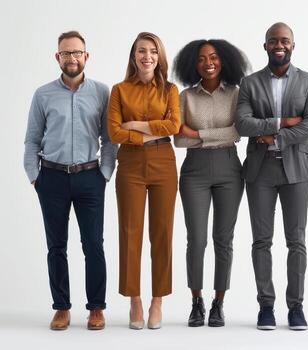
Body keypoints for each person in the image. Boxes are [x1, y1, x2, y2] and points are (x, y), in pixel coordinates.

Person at [24, 30, 116, 331]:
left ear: (86, 56)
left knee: (94, 245)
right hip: (51, 178)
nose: (72, 58)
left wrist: (104, 173)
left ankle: (96, 308)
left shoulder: (102, 92)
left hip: (90, 177)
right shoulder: (43, 94)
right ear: (57, 57)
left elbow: (109, 138)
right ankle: (62, 307)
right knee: (56, 247)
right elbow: (32, 140)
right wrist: (35, 177)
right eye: (66, 53)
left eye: (77, 52)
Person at [235, 22, 308, 331]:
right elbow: (243, 125)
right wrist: (282, 121)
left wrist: (274, 137)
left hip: (297, 169)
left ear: (293, 45)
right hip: (259, 171)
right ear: (265, 46)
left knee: (296, 240)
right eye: (273, 41)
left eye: (284, 40)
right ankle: (266, 306)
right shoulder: (250, 83)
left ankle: (296, 307)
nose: (279, 45)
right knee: (262, 240)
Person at [173, 39, 249, 327]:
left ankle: (219, 303)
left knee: (223, 239)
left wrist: (199, 133)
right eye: (202, 58)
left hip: (230, 168)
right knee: (197, 239)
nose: (209, 63)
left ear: (224, 60)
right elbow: (179, 139)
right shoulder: (185, 96)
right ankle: (196, 301)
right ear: (193, 64)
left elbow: (238, 132)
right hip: (194, 170)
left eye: (214, 57)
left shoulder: (236, 94)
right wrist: (209, 134)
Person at [107, 32, 180, 330]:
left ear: (159, 56)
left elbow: (174, 126)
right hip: (131, 164)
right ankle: (134, 299)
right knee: (130, 231)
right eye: (141, 51)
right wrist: (151, 131)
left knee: (162, 232)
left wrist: (135, 125)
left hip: (164, 162)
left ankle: (157, 300)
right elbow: (114, 133)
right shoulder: (119, 90)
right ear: (133, 55)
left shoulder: (171, 89)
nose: (147, 56)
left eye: (152, 51)